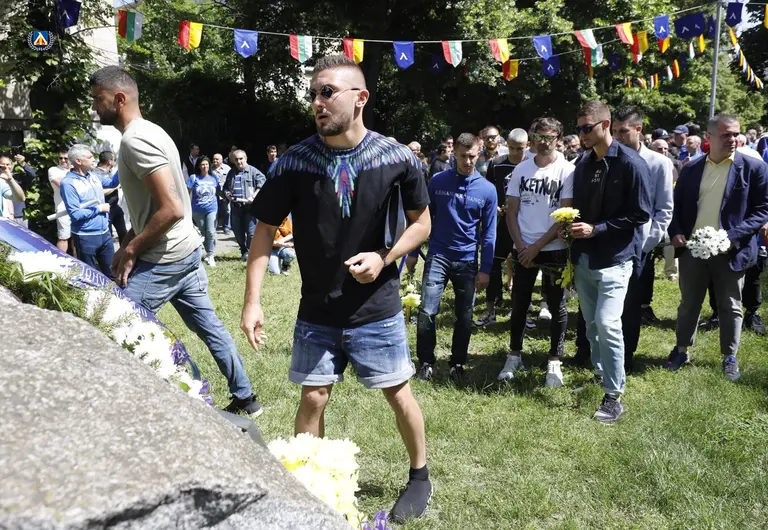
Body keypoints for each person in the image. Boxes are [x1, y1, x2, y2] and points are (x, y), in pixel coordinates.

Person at [239, 55, 432, 523]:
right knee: (313, 396)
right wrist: (252, 301)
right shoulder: (295, 162)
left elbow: (422, 224)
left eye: (328, 92)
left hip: (376, 308)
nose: (317, 102)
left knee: (397, 392)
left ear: (360, 98)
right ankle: (308, 481)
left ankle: (420, 476)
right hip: (317, 308)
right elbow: (264, 231)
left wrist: (384, 257)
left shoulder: (397, 158)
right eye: (314, 94)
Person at [89, 65, 262, 415]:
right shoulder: (152, 131)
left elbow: (171, 208)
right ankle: (246, 399)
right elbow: (154, 207)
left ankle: (171, 401)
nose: (94, 107)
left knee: (115, 326)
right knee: (211, 329)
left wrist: (133, 248)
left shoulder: (136, 140)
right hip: (186, 250)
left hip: (164, 259)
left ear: (119, 99)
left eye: (98, 99)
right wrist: (127, 242)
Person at [666, 114, 768, 380]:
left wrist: (731, 237)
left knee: (731, 305)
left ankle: (729, 357)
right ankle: (681, 349)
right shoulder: (691, 168)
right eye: (726, 135)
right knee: (689, 303)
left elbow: (762, 210)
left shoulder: (754, 168)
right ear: (709, 137)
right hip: (693, 249)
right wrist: (677, 232)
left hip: (732, 250)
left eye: (735, 134)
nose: (733, 139)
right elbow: (677, 207)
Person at [571, 100, 651, 424]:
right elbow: (579, 208)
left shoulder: (631, 163)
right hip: (584, 259)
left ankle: (614, 396)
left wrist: (597, 229)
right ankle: (602, 376)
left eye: (586, 128)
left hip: (616, 259)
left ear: (606, 125)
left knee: (607, 323)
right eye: (578, 128)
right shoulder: (583, 163)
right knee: (592, 327)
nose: (581, 134)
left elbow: (641, 213)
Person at [497, 117, 574, 386]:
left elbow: (564, 215)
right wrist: (521, 247)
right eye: (539, 137)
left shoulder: (567, 170)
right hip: (523, 247)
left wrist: (537, 247)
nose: (543, 142)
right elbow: (511, 212)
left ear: (558, 139)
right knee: (519, 303)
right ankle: (514, 355)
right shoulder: (521, 169)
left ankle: (555, 360)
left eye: (549, 137)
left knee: (556, 305)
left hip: (553, 248)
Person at [416, 132, 497, 382]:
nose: (467, 161)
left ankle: (458, 363)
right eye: (462, 156)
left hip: (467, 259)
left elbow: (489, 232)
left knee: (465, 315)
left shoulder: (488, 190)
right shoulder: (438, 181)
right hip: (438, 255)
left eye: (472, 156)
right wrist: (413, 249)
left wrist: (485, 269)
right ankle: (426, 362)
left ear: (479, 153)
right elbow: (423, 219)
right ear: (454, 154)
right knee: (427, 311)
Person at [611, 107, 674, 372]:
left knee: (630, 304)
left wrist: (646, 245)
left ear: (638, 129)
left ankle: (626, 355)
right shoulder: (610, 157)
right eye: (614, 131)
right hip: (610, 243)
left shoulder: (659, 163)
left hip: (640, 246)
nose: (617, 136)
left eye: (623, 131)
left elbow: (664, 209)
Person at [474, 128, 527, 326]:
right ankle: (490, 309)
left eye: (520, 148)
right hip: (501, 223)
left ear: (527, 146)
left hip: (524, 224)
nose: (515, 153)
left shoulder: (531, 165)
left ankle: (521, 311)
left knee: (523, 267)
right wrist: (494, 206)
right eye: (512, 148)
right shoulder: (497, 164)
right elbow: (487, 189)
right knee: (494, 263)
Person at [60, 145, 119, 277]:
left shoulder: (93, 176)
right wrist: (99, 208)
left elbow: (112, 183)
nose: (94, 159)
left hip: (105, 233)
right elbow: (75, 214)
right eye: (90, 157)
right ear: (78, 161)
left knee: (113, 273)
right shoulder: (68, 183)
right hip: (86, 236)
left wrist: (125, 167)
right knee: (90, 277)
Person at [223, 150, 265, 261]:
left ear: (245, 158)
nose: (239, 161)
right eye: (236, 159)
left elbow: (262, 185)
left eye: (241, 159)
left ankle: (251, 253)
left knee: (251, 233)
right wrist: (227, 194)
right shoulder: (231, 173)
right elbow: (226, 188)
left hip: (250, 208)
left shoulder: (253, 171)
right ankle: (243, 250)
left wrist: (254, 196)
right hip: (236, 208)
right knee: (238, 232)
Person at [186, 155, 219, 267]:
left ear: (209, 166)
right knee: (203, 232)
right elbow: (187, 192)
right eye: (202, 164)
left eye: (207, 164)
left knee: (211, 231)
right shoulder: (193, 178)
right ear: (199, 166)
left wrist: (228, 197)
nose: (205, 166)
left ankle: (211, 255)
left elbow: (219, 191)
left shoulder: (214, 178)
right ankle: (209, 252)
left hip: (212, 208)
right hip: (197, 210)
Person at [91, 150, 127, 245]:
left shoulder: (109, 172)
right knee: (108, 236)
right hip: (105, 209)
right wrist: (115, 187)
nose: (115, 162)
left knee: (123, 233)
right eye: (114, 160)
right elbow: (99, 193)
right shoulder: (95, 175)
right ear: (109, 161)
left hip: (115, 207)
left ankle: (124, 253)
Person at [48, 150, 74, 253]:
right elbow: (62, 186)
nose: (63, 160)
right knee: (63, 237)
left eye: (66, 158)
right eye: (60, 158)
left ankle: (77, 261)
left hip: (77, 206)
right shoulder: (53, 170)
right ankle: (60, 261)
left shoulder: (74, 169)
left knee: (77, 237)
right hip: (62, 207)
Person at [0, 155, 26, 220]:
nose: (6, 167)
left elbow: (21, 199)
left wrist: (11, 180)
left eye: (7, 164)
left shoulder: (1, 183)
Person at [211, 153, 231, 234]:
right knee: (214, 211)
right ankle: (213, 228)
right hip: (213, 193)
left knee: (226, 211)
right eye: (214, 159)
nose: (215, 160)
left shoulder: (227, 168)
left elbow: (231, 180)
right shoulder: (210, 168)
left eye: (217, 159)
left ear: (221, 160)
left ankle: (227, 227)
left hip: (224, 193)